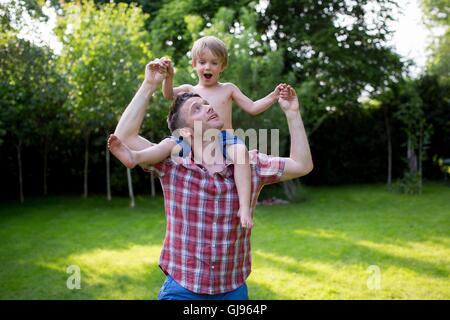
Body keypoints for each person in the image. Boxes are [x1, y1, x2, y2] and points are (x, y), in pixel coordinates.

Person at [109, 58, 313, 300]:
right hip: (182, 289)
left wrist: (292, 113)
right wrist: (149, 84)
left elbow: (302, 165)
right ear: (185, 132)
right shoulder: (173, 163)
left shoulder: (248, 165)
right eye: (197, 108)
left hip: (233, 290)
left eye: (205, 103)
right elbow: (123, 137)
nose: (207, 106)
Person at [158, 36, 284, 230]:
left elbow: (252, 107)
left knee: (241, 154)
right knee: (168, 145)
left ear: (222, 66)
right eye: (202, 62)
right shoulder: (190, 90)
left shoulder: (228, 89)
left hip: (224, 139)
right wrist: (169, 76)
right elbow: (167, 95)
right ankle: (136, 156)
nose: (207, 67)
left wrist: (273, 96)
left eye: (214, 63)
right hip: (196, 141)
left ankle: (244, 207)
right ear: (194, 64)